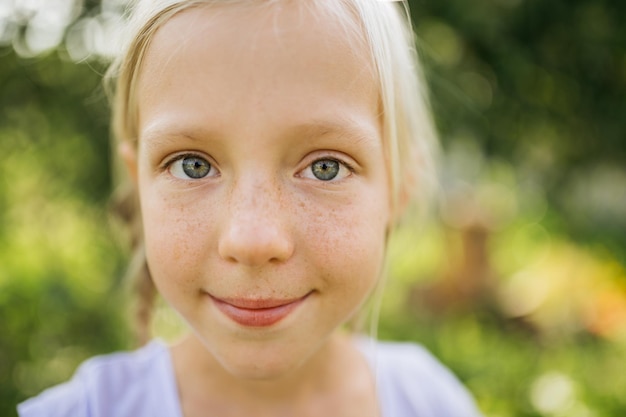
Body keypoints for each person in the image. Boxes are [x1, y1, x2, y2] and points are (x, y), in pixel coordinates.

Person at [18, 0, 483, 416]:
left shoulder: (432, 401)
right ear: (138, 182)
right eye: (193, 165)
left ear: (398, 188)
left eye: (324, 167)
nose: (253, 240)